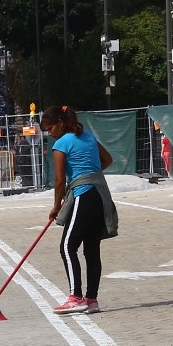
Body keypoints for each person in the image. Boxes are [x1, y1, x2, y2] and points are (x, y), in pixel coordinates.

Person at [43, 105, 119, 314]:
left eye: (50, 128)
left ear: (60, 123)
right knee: (91, 250)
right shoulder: (87, 136)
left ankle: (76, 297)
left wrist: (56, 206)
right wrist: (90, 172)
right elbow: (108, 159)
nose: (50, 134)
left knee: (67, 246)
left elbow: (59, 182)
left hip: (83, 195)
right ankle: (91, 300)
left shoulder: (61, 144)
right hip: (100, 194)